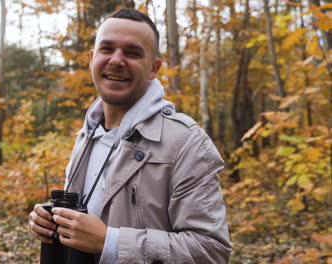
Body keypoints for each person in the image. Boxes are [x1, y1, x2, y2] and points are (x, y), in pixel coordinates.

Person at [28, 8, 231, 264]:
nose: (116, 60)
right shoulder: (87, 135)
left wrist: (109, 242)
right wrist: (50, 222)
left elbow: (211, 251)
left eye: (133, 53)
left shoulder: (186, 142)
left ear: (153, 68)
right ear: (92, 58)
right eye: (106, 49)